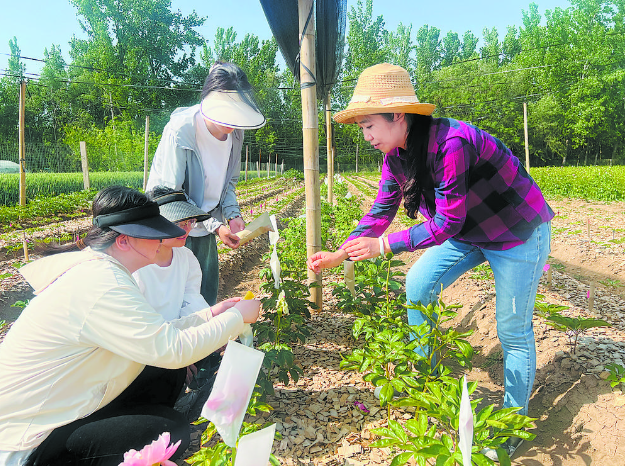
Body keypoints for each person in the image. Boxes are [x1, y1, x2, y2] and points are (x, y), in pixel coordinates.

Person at [307, 63, 553, 458]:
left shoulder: (451, 143)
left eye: (370, 125)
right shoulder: (396, 156)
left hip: (516, 233)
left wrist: (385, 247)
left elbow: (447, 221)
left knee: (512, 331)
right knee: (419, 284)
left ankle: (511, 429)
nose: (367, 135)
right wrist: (345, 251)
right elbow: (381, 210)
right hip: (469, 234)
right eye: (362, 128)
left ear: (399, 115)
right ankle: (427, 379)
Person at [0, 186, 261, 466]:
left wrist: (212, 314)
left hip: (71, 407)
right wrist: (236, 318)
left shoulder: (105, 270)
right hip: (30, 439)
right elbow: (172, 349)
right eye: (152, 233)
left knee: (166, 405)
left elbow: (160, 333)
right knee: (165, 434)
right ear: (124, 241)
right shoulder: (102, 285)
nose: (161, 239)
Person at [146, 61, 266, 306]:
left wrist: (232, 216)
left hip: (205, 226)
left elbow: (229, 183)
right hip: (172, 228)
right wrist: (215, 226)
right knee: (174, 297)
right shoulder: (182, 131)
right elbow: (171, 195)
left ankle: (209, 342)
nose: (232, 124)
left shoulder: (235, 134)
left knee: (206, 291)